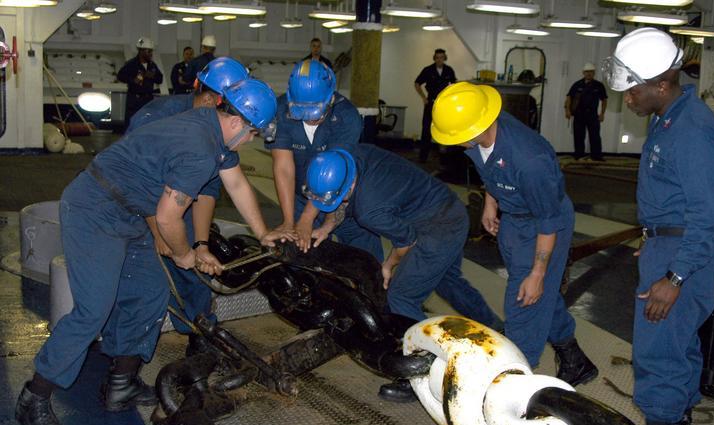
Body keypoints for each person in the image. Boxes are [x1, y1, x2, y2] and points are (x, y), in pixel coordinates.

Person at [15, 78, 287, 425]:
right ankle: (34, 397)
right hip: (95, 208)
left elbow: (237, 185)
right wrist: (185, 254)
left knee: (150, 292)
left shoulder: (215, 133)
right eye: (253, 133)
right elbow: (168, 218)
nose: (251, 140)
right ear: (239, 122)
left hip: (129, 211)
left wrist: (264, 233)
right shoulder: (200, 147)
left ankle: (121, 384)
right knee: (94, 309)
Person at [303, 144, 503, 401]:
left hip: (437, 227)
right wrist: (327, 227)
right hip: (449, 208)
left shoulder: (369, 209)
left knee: (401, 296)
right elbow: (341, 202)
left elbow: (406, 243)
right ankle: (497, 330)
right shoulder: (348, 156)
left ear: (348, 184)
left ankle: (423, 373)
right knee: (447, 280)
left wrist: (387, 266)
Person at [431, 82, 598, 387]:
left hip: (543, 224)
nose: (454, 144)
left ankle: (516, 383)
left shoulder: (530, 160)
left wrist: (538, 272)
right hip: (513, 217)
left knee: (524, 301)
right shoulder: (483, 131)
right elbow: (490, 167)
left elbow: (548, 221)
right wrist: (491, 202)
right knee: (541, 295)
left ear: (476, 127)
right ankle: (575, 360)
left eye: (456, 138)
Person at [603, 28, 714, 425]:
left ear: (663, 84)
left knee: (658, 349)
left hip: (685, 254)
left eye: (633, 91)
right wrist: (653, 238)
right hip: (668, 243)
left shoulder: (690, 130)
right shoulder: (668, 116)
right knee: (678, 344)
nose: (628, 99)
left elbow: (708, 212)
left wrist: (675, 276)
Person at [128, 57, 250, 356]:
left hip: (173, 207)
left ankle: (200, 335)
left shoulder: (216, 133)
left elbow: (207, 192)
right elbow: (135, 181)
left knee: (194, 270)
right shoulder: (155, 117)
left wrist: (200, 244)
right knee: (147, 283)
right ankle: (127, 364)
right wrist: (157, 231)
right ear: (212, 100)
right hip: (136, 206)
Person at [266, 59, 383, 262]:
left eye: (315, 111)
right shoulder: (281, 109)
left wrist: (306, 219)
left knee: (366, 261)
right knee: (301, 258)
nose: (310, 118)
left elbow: (333, 173)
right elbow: (283, 167)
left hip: (346, 198)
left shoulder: (347, 116)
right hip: (302, 196)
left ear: (331, 98)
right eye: (302, 111)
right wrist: (289, 221)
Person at [414, 49, 456, 163]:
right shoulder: (428, 70)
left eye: (441, 57)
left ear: (445, 58)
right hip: (431, 103)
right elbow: (417, 83)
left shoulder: (449, 70)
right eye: (437, 57)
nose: (439, 60)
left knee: (444, 129)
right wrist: (423, 97)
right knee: (426, 130)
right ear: (434, 58)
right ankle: (423, 158)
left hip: (443, 104)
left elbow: (454, 85)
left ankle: (444, 158)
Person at [117, 37, 164, 129]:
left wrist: (152, 76)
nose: (151, 54)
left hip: (148, 100)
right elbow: (120, 76)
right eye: (148, 51)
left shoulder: (152, 65)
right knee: (132, 125)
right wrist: (133, 80)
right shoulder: (131, 64)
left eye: (151, 51)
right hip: (135, 100)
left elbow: (160, 79)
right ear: (141, 51)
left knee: (146, 125)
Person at [564, 63, 608, 161]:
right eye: (587, 72)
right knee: (578, 136)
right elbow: (569, 97)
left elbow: (604, 100)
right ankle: (579, 155)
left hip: (592, 114)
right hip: (579, 114)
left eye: (591, 72)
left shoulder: (598, 85)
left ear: (594, 73)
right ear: (583, 73)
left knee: (595, 136)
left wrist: (602, 114)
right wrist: (567, 110)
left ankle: (596, 156)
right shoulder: (577, 85)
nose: (589, 74)